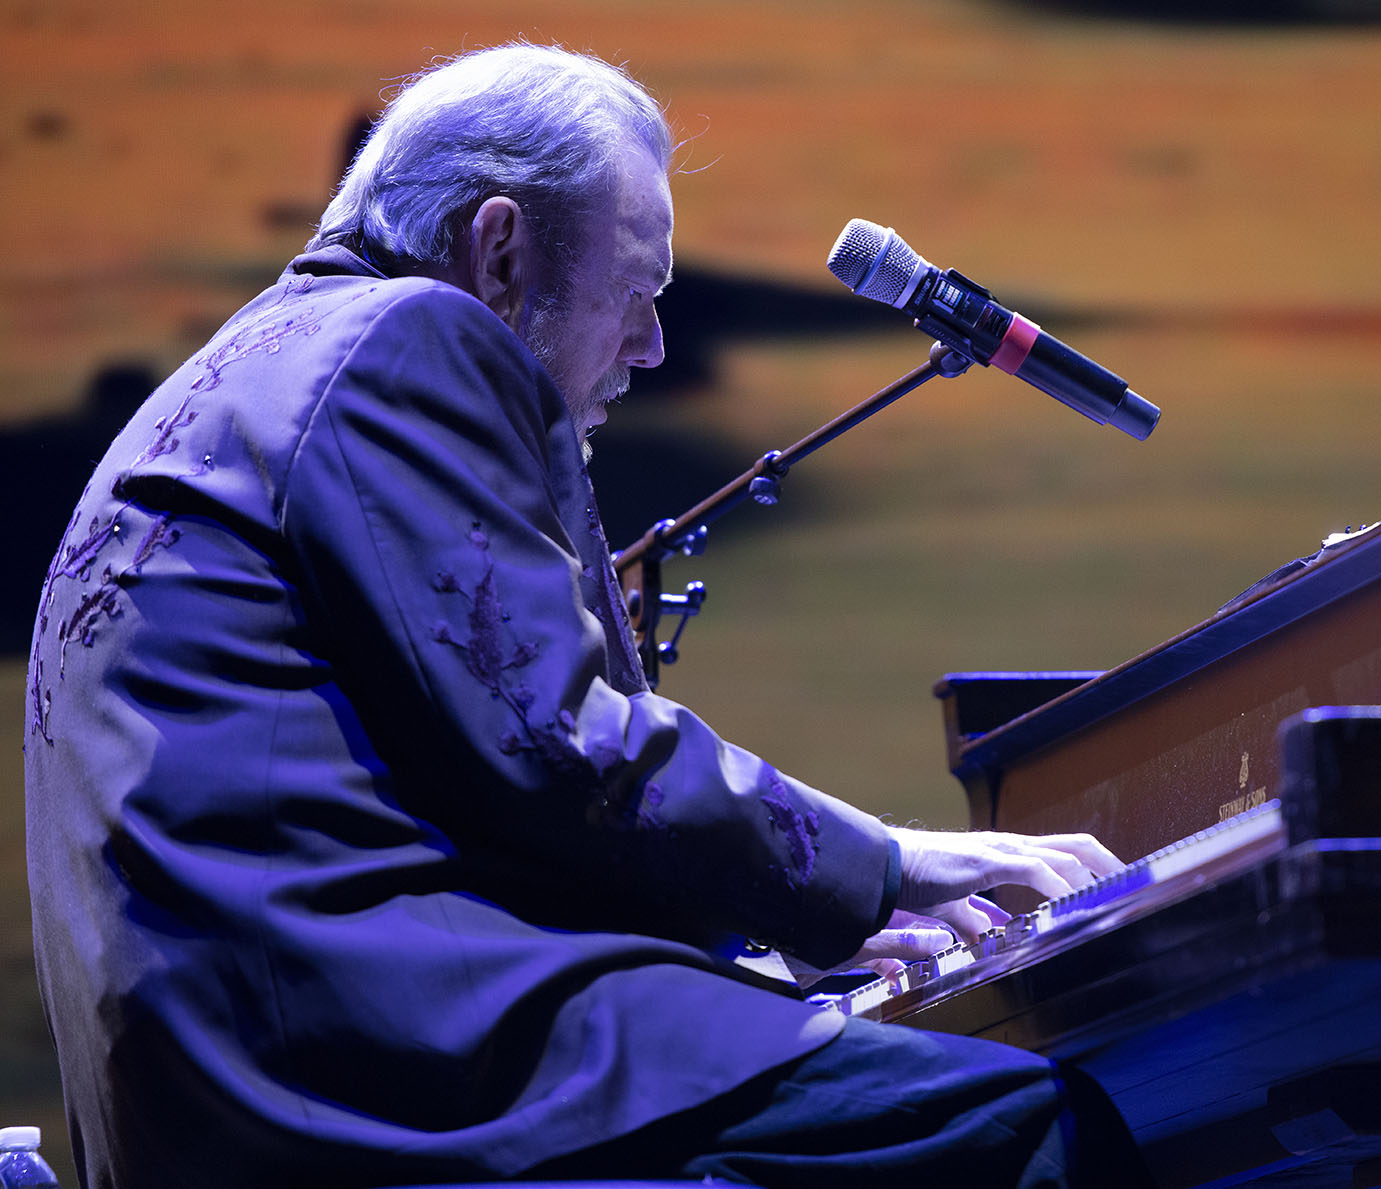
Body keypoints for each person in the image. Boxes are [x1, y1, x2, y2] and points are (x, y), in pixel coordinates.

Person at [24, 43, 1152, 1189]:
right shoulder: (403, 338)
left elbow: (432, 793)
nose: (653, 346)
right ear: (502, 247)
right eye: (638, 290)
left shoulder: (239, 373)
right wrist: (890, 863)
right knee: (1019, 1123)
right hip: (372, 1076)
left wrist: (764, 946)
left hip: (240, 1083)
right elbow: (558, 749)